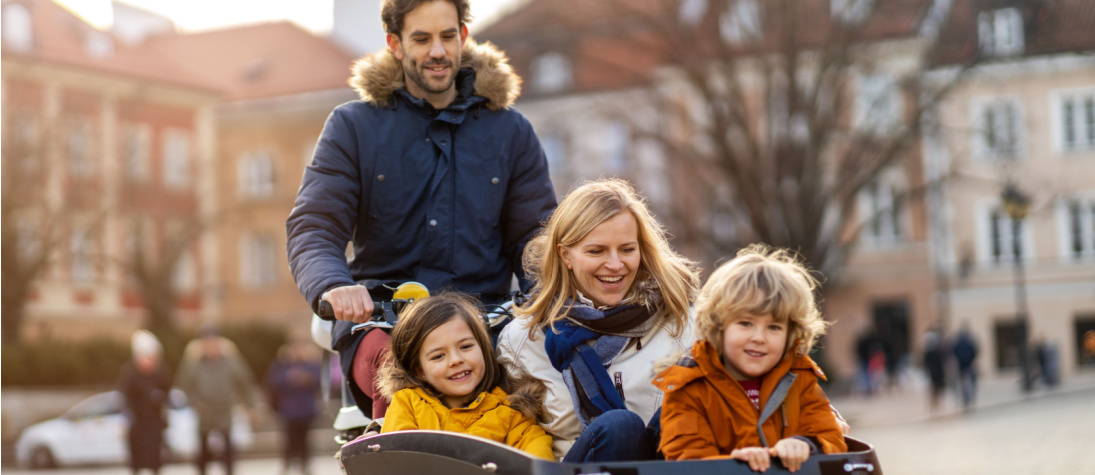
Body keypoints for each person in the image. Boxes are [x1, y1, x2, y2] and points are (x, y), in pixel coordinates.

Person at [285, 0, 556, 421]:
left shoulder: (510, 131)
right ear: (395, 44)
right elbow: (315, 224)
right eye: (422, 39)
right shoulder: (353, 126)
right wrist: (332, 285)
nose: (437, 52)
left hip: (488, 325)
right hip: (382, 322)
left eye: (448, 36)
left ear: (463, 38)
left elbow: (537, 236)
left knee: (542, 408)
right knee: (403, 387)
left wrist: (545, 298)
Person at [496, 179, 699, 462]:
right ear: (565, 255)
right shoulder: (523, 339)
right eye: (597, 251)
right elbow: (513, 437)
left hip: (664, 467)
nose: (615, 265)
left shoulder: (686, 322)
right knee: (620, 427)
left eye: (627, 249)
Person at [655, 245, 846, 471]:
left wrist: (805, 444)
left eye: (774, 327)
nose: (759, 338)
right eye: (745, 324)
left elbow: (831, 437)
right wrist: (733, 464)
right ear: (719, 325)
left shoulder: (799, 380)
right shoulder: (689, 386)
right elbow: (684, 459)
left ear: (790, 334)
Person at [375, 293, 554, 459]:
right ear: (419, 370)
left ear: (483, 347)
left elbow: (536, 456)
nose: (456, 360)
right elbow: (398, 458)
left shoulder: (510, 412)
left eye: (466, 346)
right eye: (438, 356)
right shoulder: (409, 405)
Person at [176, 327, 259, 475]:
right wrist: (195, 403)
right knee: (203, 449)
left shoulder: (231, 361)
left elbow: (245, 383)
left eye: (213, 342)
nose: (211, 346)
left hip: (224, 410)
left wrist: (250, 406)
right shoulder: (193, 364)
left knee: (227, 449)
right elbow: (184, 387)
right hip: (204, 412)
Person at [266, 337, 323, 475]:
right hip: (288, 410)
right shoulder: (282, 365)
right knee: (288, 440)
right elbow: (273, 382)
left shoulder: (311, 364)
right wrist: (288, 377)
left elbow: (318, 381)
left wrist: (305, 378)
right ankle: (287, 464)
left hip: (306, 409)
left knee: (305, 440)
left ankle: (305, 464)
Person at [118, 330, 171, 475]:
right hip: (137, 423)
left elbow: (167, 394)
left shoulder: (160, 373)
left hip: (154, 423)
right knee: (137, 459)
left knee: (155, 458)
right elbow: (126, 399)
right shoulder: (129, 374)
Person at [951, 321, 979, 409]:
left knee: (963, 382)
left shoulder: (958, 341)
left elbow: (954, 351)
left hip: (961, 364)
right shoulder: (970, 340)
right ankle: (970, 397)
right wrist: (972, 359)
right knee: (971, 381)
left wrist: (958, 359)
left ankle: (966, 398)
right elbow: (974, 351)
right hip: (968, 364)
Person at [921, 326, 948, 411]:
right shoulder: (936, 350)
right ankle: (935, 402)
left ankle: (935, 402)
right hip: (936, 371)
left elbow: (926, 363)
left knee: (935, 387)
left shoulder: (930, 351)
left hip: (934, 371)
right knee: (935, 387)